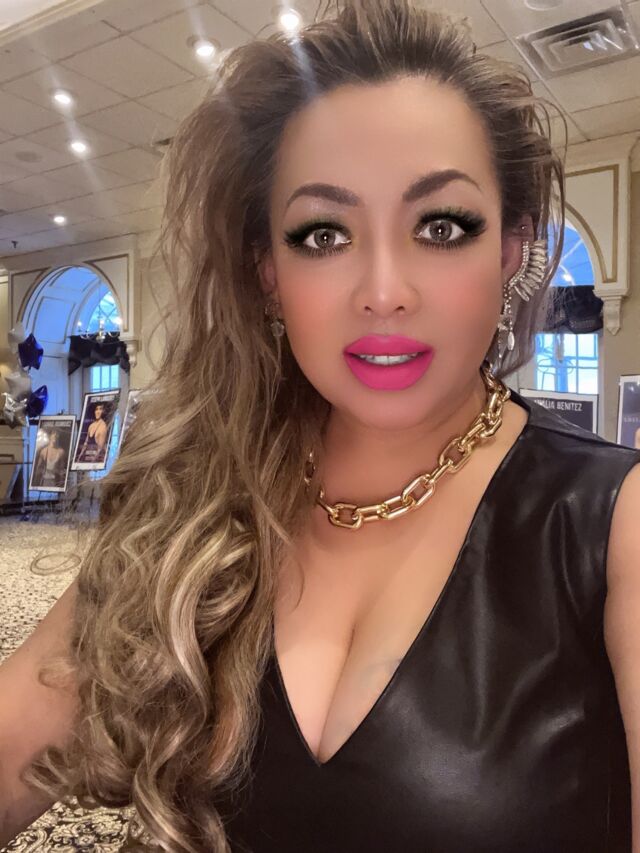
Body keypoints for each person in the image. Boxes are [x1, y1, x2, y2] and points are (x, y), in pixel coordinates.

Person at [1, 1, 639, 851]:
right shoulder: (191, 498)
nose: (384, 292)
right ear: (268, 273)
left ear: (511, 249)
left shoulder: (614, 521)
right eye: (324, 233)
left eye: (440, 226)